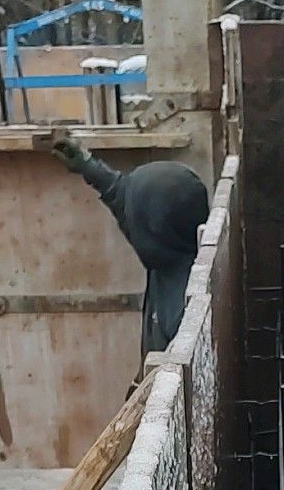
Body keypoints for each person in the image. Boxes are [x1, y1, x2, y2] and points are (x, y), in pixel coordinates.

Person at [55, 135, 209, 357]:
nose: (130, 223)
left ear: (154, 230)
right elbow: (120, 193)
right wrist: (89, 167)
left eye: (136, 218)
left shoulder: (182, 313)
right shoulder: (175, 250)